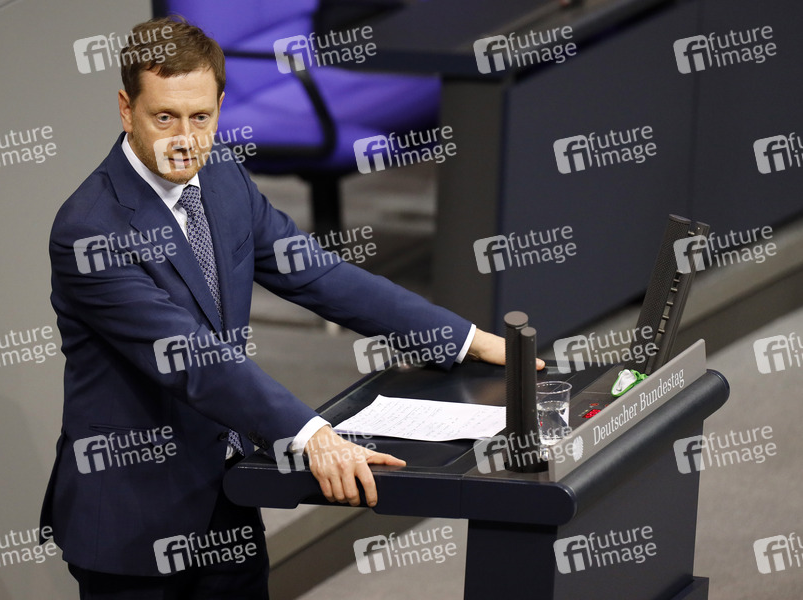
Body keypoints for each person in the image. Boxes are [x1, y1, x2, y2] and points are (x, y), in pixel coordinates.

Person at [41, 15, 543, 599]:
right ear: (127, 110)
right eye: (164, 117)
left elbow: (318, 274)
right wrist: (312, 437)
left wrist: (466, 340)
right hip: (135, 520)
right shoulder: (89, 233)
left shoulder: (223, 179)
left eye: (200, 117)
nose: (184, 139)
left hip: (227, 499)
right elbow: (193, 358)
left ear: (220, 106)